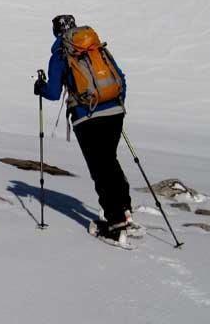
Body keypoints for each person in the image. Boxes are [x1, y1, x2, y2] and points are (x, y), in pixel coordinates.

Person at [34, 14, 136, 241]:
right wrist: (114, 103)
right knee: (110, 160)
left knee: (100, 168)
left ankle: (115, 221)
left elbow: (52, 93)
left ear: (56, 31)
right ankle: (125, 209)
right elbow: (121, 78)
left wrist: (39, 87)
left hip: (86, 117)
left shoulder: (61, 54)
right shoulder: (96, 47)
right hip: (115, 112)